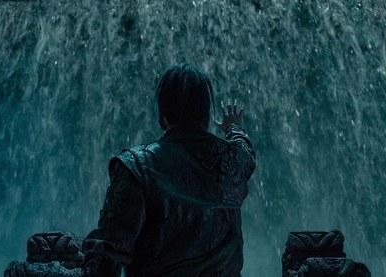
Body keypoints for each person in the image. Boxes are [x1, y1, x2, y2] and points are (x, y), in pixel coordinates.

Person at [82, 64, 256, 277]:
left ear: (161, 117)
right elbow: (245, 150)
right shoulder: (234, 161)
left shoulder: (137, 167)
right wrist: (234, 127)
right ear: (206, 117)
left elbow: (108, 252)